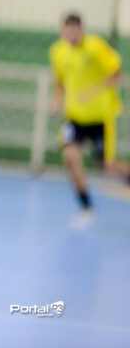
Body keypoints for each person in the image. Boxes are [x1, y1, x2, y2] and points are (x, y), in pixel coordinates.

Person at [49, 13, 130, 228]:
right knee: (70, 156)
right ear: (62, 31)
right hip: (75, 117)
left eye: (74, 30)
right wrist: (56, 101)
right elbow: (60, 81)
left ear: (82, 30)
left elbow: (117, 75)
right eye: (67, 30)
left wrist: (92, 92)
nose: (70, 34)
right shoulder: (58, 52)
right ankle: (86, 208)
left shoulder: (95, 47)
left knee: (106, 166)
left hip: (100, 117)